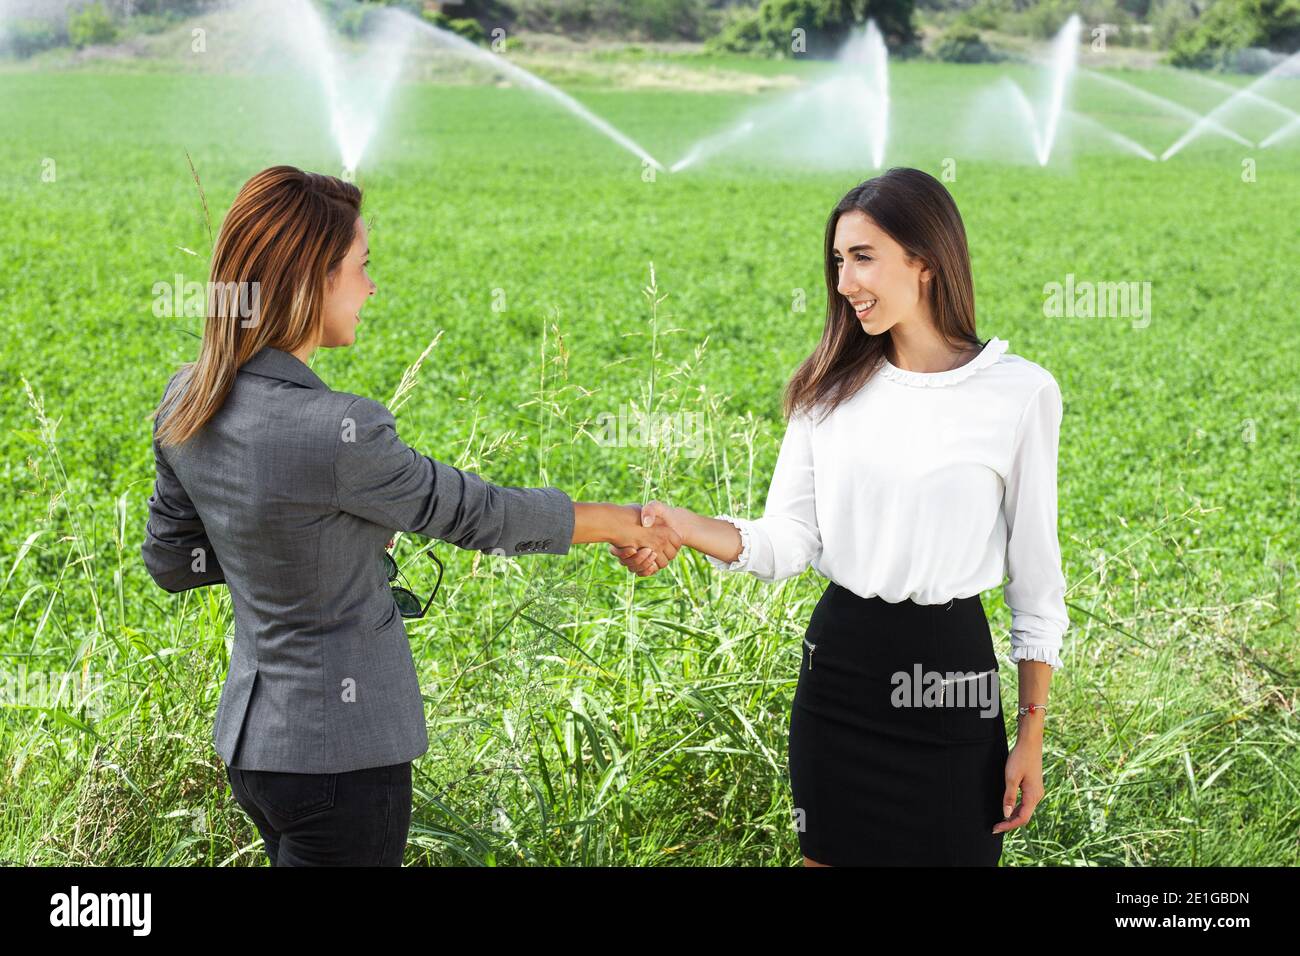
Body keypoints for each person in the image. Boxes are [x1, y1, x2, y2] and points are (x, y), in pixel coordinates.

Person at [141, 165, 680, 866]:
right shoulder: (340, 429)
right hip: (343, 760)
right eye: (361, 268)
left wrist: (296, 541)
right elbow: (479, 514)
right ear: (310, 282)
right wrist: (623, 521)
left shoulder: (189, 397)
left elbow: (169, 561)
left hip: (257, 752)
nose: (370, 288)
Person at [613, 167, 1067, 866]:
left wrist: (1032, 733)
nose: (844, 282)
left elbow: (1036, 581)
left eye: (862, 258)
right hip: (842, 678)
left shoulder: (1020, 393)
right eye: (837, 261)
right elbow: (786, 541)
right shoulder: (827, 389)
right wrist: (682, 524)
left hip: (953, 681)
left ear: (925, 261)